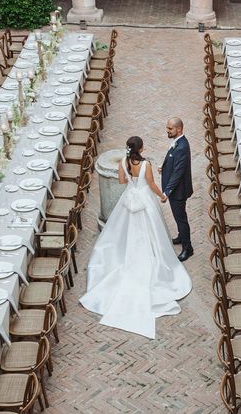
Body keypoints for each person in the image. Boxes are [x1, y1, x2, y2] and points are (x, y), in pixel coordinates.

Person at [79, 136, 192, 339]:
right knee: (152, 232)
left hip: (129, 199)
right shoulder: (146, 164)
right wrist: (162, 195)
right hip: (145, 201)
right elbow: (150, 184)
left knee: (123, 233)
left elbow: (122, 181)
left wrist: (131, 178)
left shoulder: (123, 162)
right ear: (141, 148)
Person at [160, 117, 195, 261]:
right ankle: (181, 236)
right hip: (176, 190)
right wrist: (163, 167)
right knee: (178, 217)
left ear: (178, 129)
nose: (167, 130)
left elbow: (178, 173)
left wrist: (167, 192)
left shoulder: (182, 147)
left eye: (170, 128)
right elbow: (172, 159)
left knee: (181, 219)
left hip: (178, 192)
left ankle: (188, 248)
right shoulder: (178, 143)